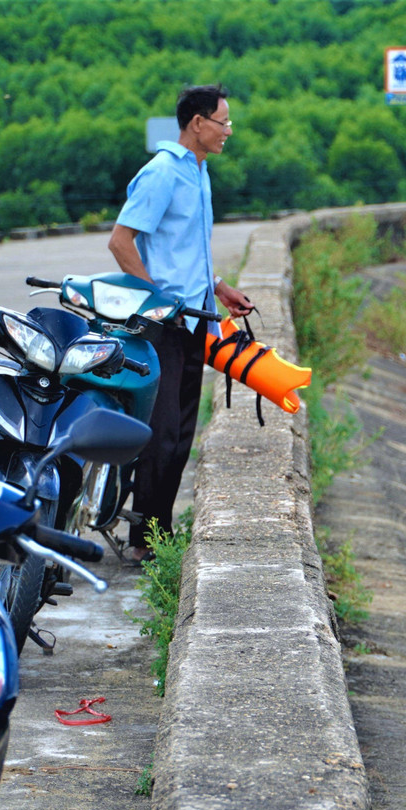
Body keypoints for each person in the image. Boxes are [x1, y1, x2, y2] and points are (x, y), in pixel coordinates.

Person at [108, 83, 255, 562]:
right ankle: (142, 541)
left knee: (182, 434)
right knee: (162, 432)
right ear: (197, 123)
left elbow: (186, 252)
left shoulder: (198, 171)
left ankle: (161, 533)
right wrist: (156, 299)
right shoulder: (163, 173)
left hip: (195, 319)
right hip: (164, 325)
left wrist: (219, 286)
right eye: (223, 122)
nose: (228, 131)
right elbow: (121, 242)